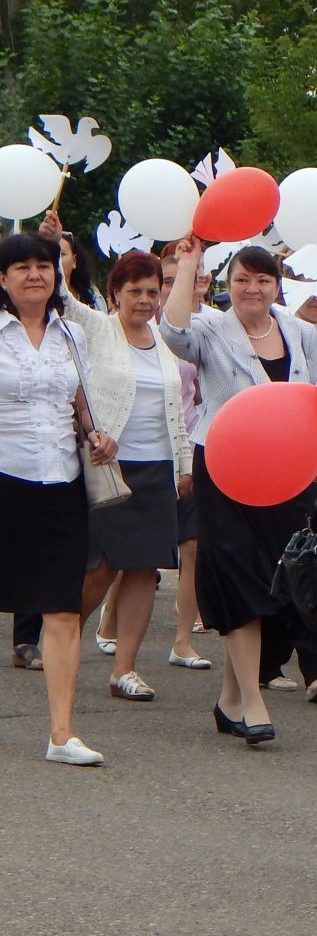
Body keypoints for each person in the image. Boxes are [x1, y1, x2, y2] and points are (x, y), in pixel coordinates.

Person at [162, 236, 317, 743]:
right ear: (228, 284)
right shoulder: (211, 327)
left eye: (262, 279)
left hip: (285, 469)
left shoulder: (301, 332)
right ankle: (253, 703)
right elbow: (172, 330)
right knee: (236, 569)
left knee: (272, 576)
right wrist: (190, 265)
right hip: (224, 464)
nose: (252, 288)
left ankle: (229, 699)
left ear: (277, 285)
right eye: (242, 279)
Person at [46, 242, 193, 702]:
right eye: (135, 291)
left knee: (143, 569)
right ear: (115, 294)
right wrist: (56, 252)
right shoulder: (97, 328)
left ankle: (124, 669)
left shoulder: (165, 343)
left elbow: (177, 413)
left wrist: (184, 467)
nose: (146, 300)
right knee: (101, 567)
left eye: (153, 291)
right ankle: (62, 636)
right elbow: (64, 301)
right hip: (109, 465)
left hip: (157, 468)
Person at [0, 231, 118, 763]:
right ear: (2, 279)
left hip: (61, 484)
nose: (34, 274)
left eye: (44, 265)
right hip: (5, 477)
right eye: (21, 266)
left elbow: (82, 404)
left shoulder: (70, 336)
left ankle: (62, 733)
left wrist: (99, 434)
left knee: (62, 608)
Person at [158, 245, 213, 670]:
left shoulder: (207, 327)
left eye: (192, 278)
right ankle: (108, 622)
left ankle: (182, 638)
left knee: (192, 545)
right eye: (170, 280)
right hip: (144, 449)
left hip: (189, 446)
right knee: (135, 560)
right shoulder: (136, 328)